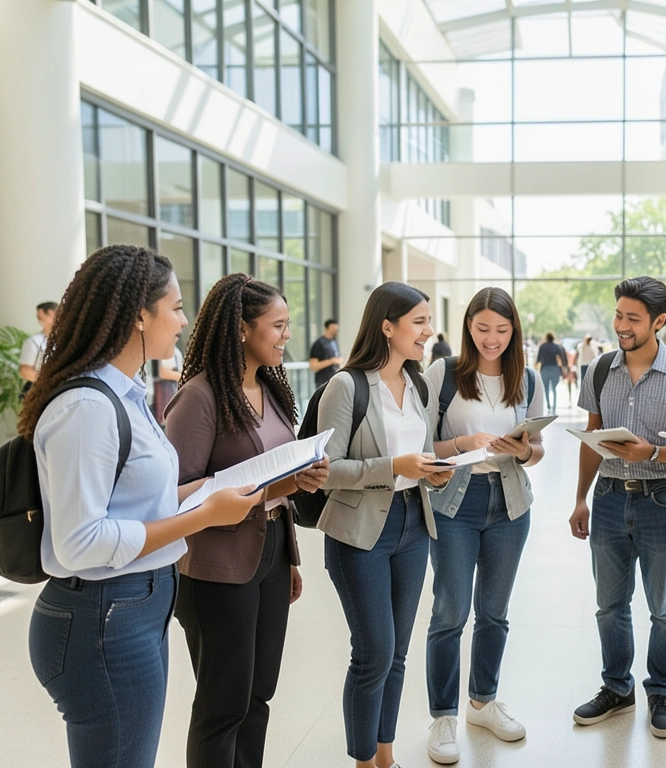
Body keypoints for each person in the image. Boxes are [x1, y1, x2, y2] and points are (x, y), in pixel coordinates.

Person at [21, 245, 263, 768]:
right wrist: (203, 517)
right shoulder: (86, 407)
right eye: (175, 307)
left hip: (135, 604)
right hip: (104, 613)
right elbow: (81, 541)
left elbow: (140, 501)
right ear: (138, 315)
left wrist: (212, 491)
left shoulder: (127, 394)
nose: (184, 320)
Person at [164, 274, 330, 768]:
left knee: (258, 695)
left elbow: (271, 485)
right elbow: (170, 495)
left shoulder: (271, 390)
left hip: (270, 553)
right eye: (278, 325)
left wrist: (297, 486)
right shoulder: (200, 397)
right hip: (216, 565)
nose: (286, 335)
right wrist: (249, 490)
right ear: (241, 328)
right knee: (224, 704)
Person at [314, 282, 455, 768]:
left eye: (428, 321)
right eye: (419, 322)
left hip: (414, 523)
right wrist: (393, 467)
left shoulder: (419, 385)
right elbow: (325, 470)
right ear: (387, 327)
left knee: (396, 654)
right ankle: (362, 762)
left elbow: (423, 453)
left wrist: (434, 471)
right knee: (373, 652)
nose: (428, 331)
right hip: (360, 533)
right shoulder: (347, 386)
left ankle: (386, 757)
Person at [569, 277, 666, 741]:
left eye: (633, 318)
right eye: (618, 315)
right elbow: (592, 439)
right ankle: (616, 687)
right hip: (608, 497)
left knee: (663, 606)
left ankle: (661, 691)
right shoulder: (599, 370)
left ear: (659, 321)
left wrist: (651, 453)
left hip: (661, 499)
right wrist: (580, 497)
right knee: (609, 605)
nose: (621, 325)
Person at [422, 287, 546, 764]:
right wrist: (463, 442)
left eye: (502, 330)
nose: (492, 339)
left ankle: (482, 702)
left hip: (509, 503)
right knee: (450, 612)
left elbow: (537, 450)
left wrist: (524, 450)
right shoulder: (444, 373)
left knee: (494, 612)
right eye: (482, 328)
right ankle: (443, 717)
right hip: (456, 500)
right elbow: (423, 446)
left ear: (514, 330)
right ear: (468, 327)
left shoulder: (527, 378)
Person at [19, 302, 58, 393]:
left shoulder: (66, 340)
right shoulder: (34, 342)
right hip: (38, 390)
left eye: (40, 317)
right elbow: (25, 370)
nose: (39, 321)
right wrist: (48, 383)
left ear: (51, 314)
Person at [535, 332, 567, 414]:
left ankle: (548, 405)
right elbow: (562, 359)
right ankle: (554, 407)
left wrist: (536, 367)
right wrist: (564, 369)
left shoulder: (542, 346)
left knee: (546, 389)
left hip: (545, 368)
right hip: (555, 368)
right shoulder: (557, 347)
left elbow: (538, 359)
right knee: (554, 389)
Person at [151, 346, 183, 425]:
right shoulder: (167, 348)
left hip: (169, 394)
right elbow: (163, 373)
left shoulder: (173, 349)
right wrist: (185, 376)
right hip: (165, 394)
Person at [308, 319, 342, 389]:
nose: (336, 330)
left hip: (334, 380)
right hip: (323, 383)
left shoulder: (334, 342)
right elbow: (313, 366)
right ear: (327, 328)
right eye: (333, 328)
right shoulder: (319, 344)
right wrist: (332, 361)